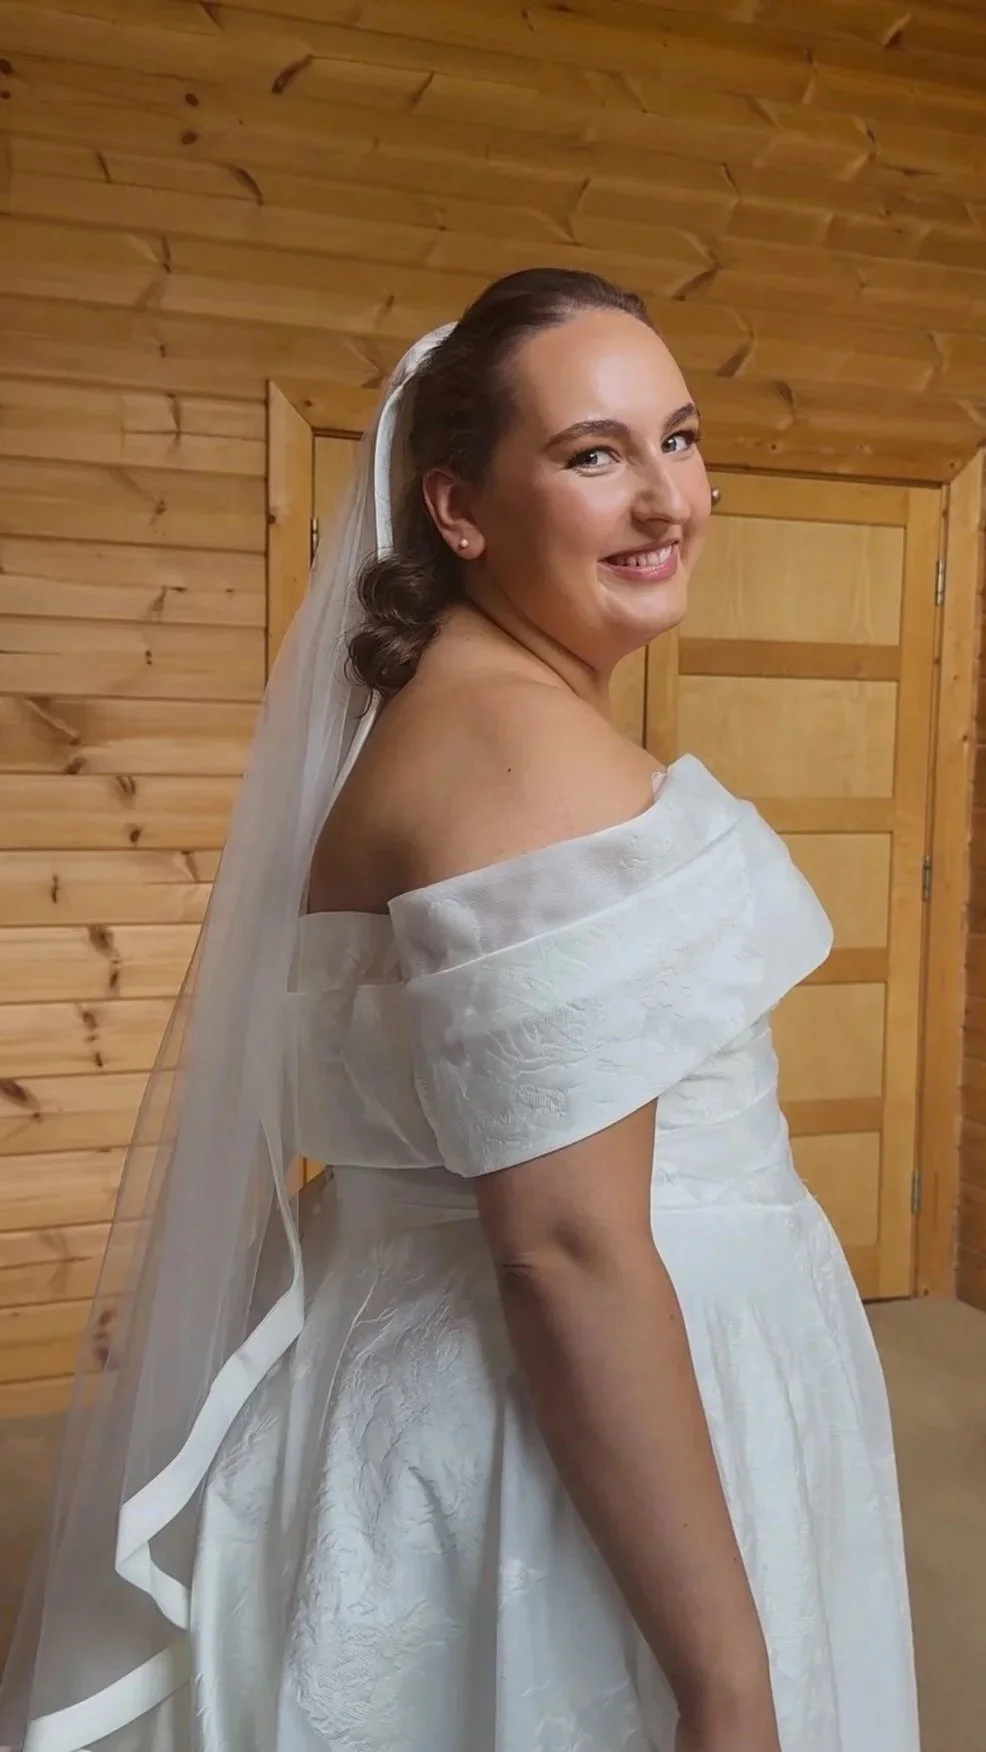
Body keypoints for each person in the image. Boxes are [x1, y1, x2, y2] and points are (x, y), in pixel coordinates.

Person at [0, 269, 919, 1752]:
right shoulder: (528, 767)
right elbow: (563, 1252)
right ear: (458, 509)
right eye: (591, 454)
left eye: (677, 440)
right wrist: (723, 1686)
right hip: (540, 1447)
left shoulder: (452, 715)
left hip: (439, 1380)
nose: (664, 499)